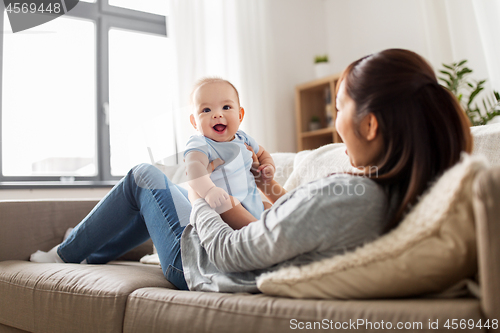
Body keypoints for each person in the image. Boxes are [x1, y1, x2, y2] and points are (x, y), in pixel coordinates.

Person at [30, 49, 473, 293]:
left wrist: (202, 194)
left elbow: (229, 253)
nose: (335, 123)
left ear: (371, 123)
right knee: (155, 188)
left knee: (145, 176)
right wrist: (271, 190)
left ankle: (66, 256)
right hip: (232, 230)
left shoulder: (351, 199)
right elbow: (297, 226)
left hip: (200, 265)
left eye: (338, 108)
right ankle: (90, 252)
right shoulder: (387, 189)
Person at [184, 77, 274, 224]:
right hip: (224, 210)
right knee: (227, 202)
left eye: (226, 107)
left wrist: (268, 166)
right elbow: (194, 168)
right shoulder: (200, 144)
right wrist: (209, 191)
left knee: (269, 206)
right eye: (206, 110)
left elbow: (262, 154)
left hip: (255, 205)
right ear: (194, 122)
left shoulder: (243, 138)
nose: (217, 114)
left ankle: (265, 225)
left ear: (240, 115)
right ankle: (258, 232)